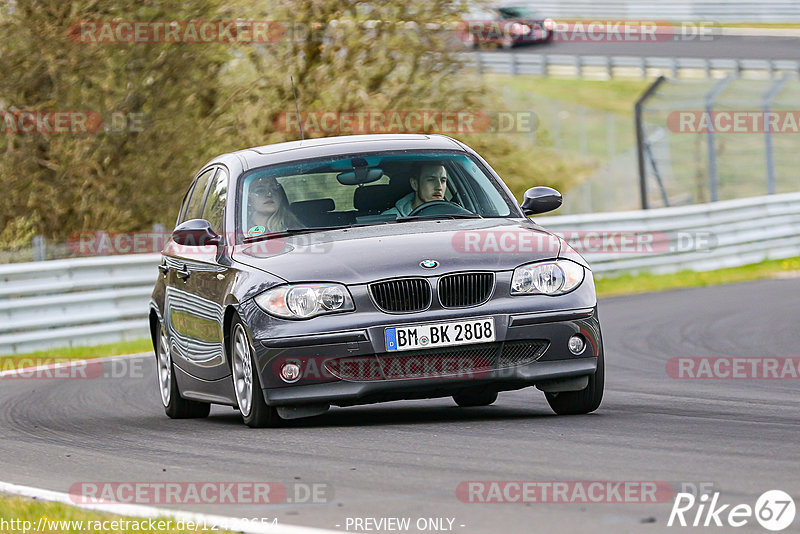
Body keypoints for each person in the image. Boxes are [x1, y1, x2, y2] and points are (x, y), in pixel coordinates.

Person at [382, 164, 448, 217]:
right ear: (415, 184)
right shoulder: (390, 218)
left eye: (443, 180)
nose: (439, 187)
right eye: (431, 180)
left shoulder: (455, 215)